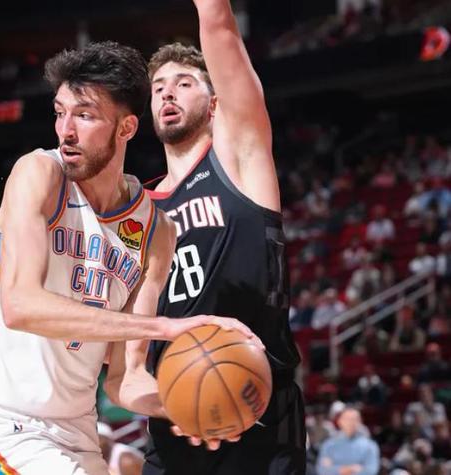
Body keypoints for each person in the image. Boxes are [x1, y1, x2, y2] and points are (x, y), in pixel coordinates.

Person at [0, 42, 255, 475]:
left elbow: (123, 379)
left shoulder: (155, 231)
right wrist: (164, 327)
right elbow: (20, 306)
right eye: (60, 112)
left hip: (80, 435)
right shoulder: (39, 175)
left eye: (85, 115)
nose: (66, 131)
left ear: (126, 127)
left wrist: (186, 404)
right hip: (4, 422)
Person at [141, 0, 305, 473]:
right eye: (158, 87)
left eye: (183, 83)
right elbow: (126, 367)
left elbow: (218, 25)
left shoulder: (239, 161)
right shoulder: (136, 212)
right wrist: (173, 405)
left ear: (214, 103)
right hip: (176, 421)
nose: (168, 93)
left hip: (260, 410)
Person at [316, 408, 379, 475]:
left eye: (354, 419)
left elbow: (371, 470)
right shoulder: (329, 445)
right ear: (339, 421)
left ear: (360, 422)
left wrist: (334, 468)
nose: (350, 423)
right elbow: (322, 470)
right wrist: (344, 470)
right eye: (347, 419)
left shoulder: (370, 445)